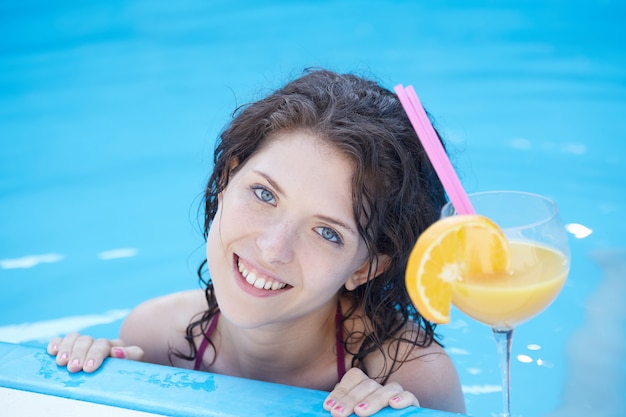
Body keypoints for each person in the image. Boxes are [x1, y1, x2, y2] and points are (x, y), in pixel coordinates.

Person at [48, 68, 466, 416]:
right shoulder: (157, 336)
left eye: (327, 232)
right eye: (264, 194)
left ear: (365, 267)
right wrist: (87, 371)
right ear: (228, 179)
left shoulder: (410, 377)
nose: (272, 248)